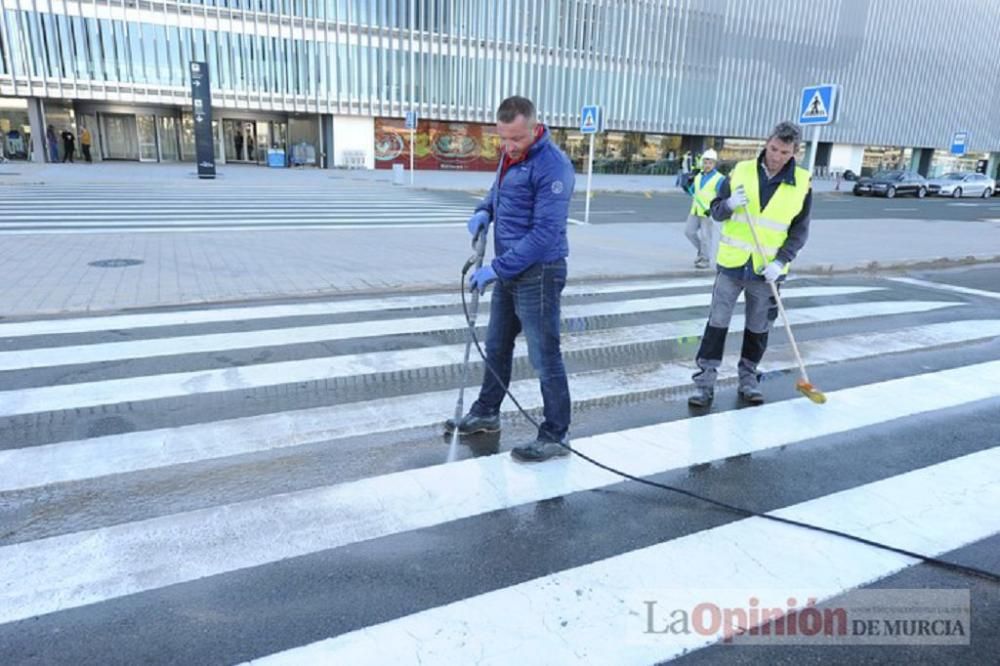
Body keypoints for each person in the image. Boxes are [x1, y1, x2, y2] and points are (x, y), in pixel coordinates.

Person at [445, 95, 575, 463]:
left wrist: (496, 269)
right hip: (509, 270)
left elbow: (545, 234)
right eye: (503, 139)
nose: (508, 147)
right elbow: (497, 193)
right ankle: (486, 412)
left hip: (541, 273)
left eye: (516, 139)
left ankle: (555, 433)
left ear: (535, 128)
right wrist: (483, 210)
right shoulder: (509, 156)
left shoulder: (554, 167)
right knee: (497, 345)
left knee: (544, 355)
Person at [688, 121, 812, 407]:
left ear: (795, 152)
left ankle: (748, 379)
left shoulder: (802, 183)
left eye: (784, 151)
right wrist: (729, 204)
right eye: (773, 148)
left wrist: (781, 261)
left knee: (758, 328)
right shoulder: (741, 171)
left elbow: (799, 231)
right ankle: (705, 382)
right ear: (766, 143)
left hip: (767, 271)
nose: (776, 156)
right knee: (716, 324)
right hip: (732, 266)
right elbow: (716, 212)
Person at [683, 148, 725, 269]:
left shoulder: (719, 178)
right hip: (695, 209)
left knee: (706, 237)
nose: (707, 165)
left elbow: (721, 196)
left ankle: (705, 260)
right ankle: (702, 252)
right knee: (689, 232)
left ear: (714, 164)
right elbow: (693, 191)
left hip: (708, 212)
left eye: (710, 163)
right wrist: (686, 185)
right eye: (705, 162)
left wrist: (715, 209)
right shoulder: (698, 175)